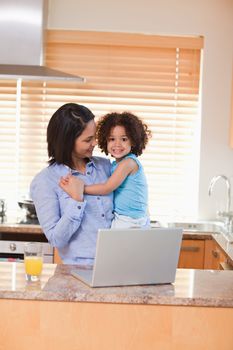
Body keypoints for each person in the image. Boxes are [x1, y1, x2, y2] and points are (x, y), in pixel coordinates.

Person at [30, 103, 114, 265]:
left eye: (94, 136)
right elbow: (56, 239)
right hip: (78, 272)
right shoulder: (46, 181)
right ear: (67, 142)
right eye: (88, 139)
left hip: (117, 265)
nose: (95, 143)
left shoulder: (105, 167)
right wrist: (76, 200)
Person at [60, 111, 151, 229]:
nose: (117, 144)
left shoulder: (128, 163)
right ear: (105, 141)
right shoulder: (115, 165)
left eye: (123, 139)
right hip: (126, 217)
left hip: (131, 220)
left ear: (133, 141)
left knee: (111, 246)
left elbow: (107, 188)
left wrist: (80, 189)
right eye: (112, 139)